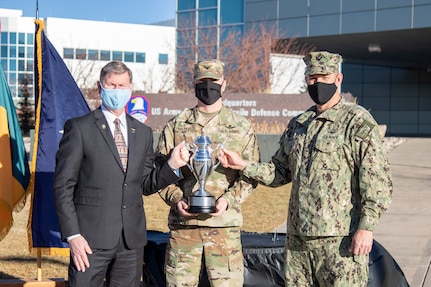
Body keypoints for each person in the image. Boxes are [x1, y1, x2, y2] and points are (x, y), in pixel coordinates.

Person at [218, 51, 393, 286]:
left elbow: (377, 182)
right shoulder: (299, 124)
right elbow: (280, 172)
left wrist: (366, 228)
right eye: (312, 78)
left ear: (338, 79)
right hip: (298, 241)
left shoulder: (357, 121)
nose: (318, 83)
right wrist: (244, 165)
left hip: (339, 240)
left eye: (324, 77)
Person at [53, 61, 190, 287]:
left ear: (130, 88)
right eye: (111, 85)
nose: (117, 90)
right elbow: (62, 186)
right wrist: (73, 235)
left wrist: (172, 165)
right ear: (100, 87)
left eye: (121, 85)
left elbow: (145, 184)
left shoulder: (142, 132)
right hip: (89, 240)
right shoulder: (79, 128)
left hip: (130, 242)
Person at [156, 59, 259, 286]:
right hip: (184, 229)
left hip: (224, 228)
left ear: (224, 84)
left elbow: (250, 175)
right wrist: (176, 200)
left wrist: (229, 200)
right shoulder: (176, 125)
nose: (208, 86)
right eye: (203, 81)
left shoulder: (240, 127)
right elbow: (159, 173)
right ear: (194, 84)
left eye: (213, 81)